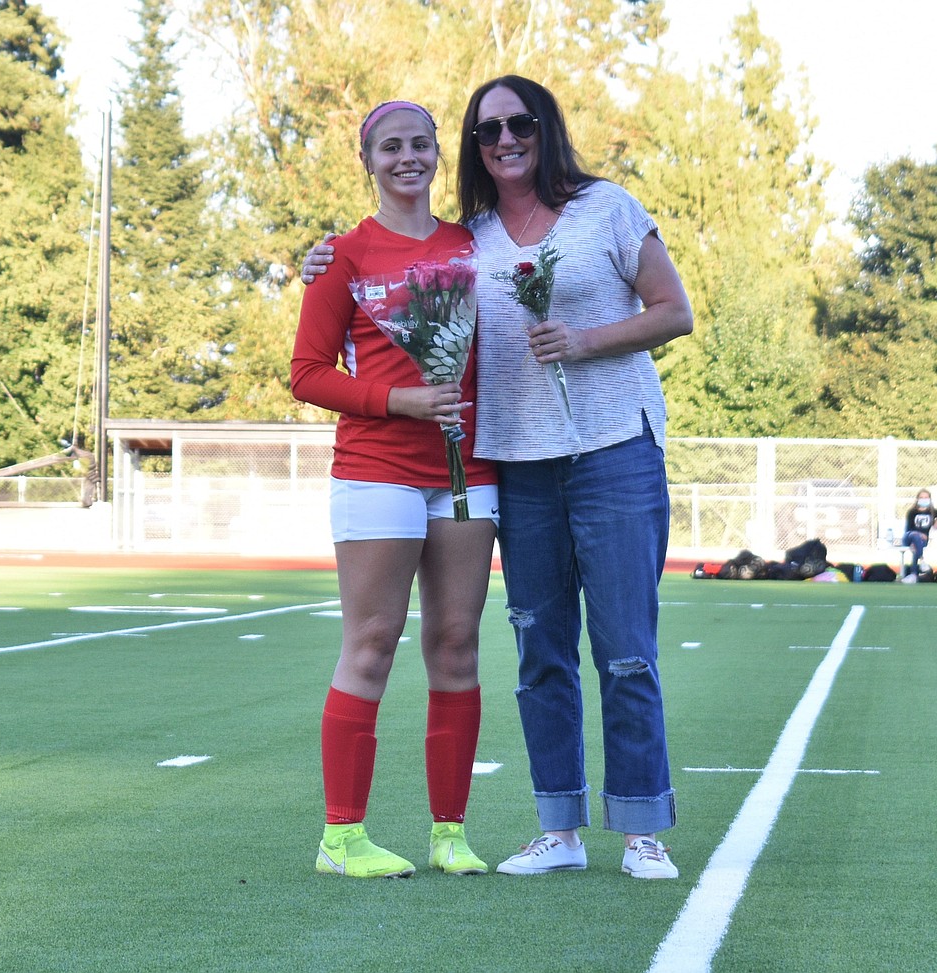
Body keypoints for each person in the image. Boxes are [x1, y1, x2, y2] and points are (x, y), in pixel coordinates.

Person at [303, 76, 693, 880]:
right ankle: (537, 829)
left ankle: (617, 829)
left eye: (518, 124)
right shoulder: (417, 244)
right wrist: (323, 266)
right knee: (522, 648)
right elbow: (322, 349)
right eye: (489, 130)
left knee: (586, 648)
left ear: (544, 128)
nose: (505, 138)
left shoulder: (558, 219)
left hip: (562, 457)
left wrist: (583, 341)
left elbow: (672, 310)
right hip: (473, 463)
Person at [290, 100, 499, 879]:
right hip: (376, 468)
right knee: (373, 643)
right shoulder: (343, 255)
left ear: (440, 154)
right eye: (391, 146)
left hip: (468, 471)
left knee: (456, 642)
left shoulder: (471, 244)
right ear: (368, 160)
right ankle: (341, 837)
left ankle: (451, 832)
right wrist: (398, 401)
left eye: (420, 143)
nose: (407, 156)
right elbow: (307, 373)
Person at [901, 488, 937, 583]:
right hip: (909, 537)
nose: (924, 499)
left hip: (921, 541)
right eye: (921, 497)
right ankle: (922, 560)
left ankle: (913, 575)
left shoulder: (932, 511)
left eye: (926, 497)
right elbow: (908, 529)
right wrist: (918, 534)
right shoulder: (912, 512)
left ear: (929, 499)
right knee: (915, 536)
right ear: (917, 499)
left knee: (917, 545)